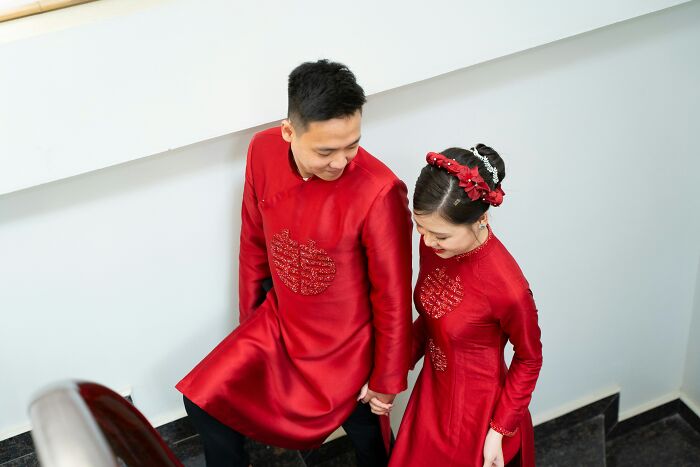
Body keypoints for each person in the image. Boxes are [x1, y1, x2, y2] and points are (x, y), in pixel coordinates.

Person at [175, 59, 413, 467]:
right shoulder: (262, 149)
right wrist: (250, 324)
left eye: (352, 145)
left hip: (347, 350)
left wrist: (387, 379)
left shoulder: (380, 191)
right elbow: (253, 241)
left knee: (370, 443)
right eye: (326, 151)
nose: (341, 162)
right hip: (280, 322)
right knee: (202, 402)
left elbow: (393, 297)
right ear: (289, 131)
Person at [377, 145, 542, 467]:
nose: (427, 242)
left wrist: (499, 431)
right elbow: (432, 318)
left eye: (440, 235)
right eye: (420, 228)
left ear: (481, 218)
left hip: (480, 414)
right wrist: (389, 373)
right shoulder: (435, 247)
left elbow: (529, 359)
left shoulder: (508, 288)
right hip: (433, 396)